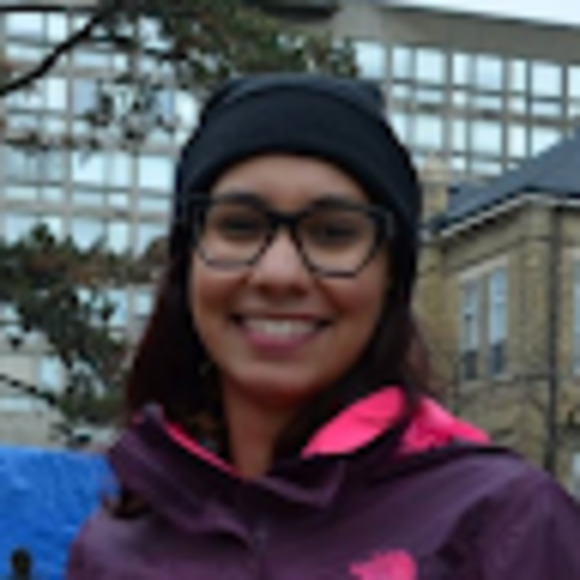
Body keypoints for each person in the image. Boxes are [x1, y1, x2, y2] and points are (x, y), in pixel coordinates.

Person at [67, 73, 580, 579]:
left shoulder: (504, 523)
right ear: (187, 263)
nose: (279, 274)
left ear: (391, 278)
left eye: (332, 233)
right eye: (240, 226)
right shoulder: (114, 550)